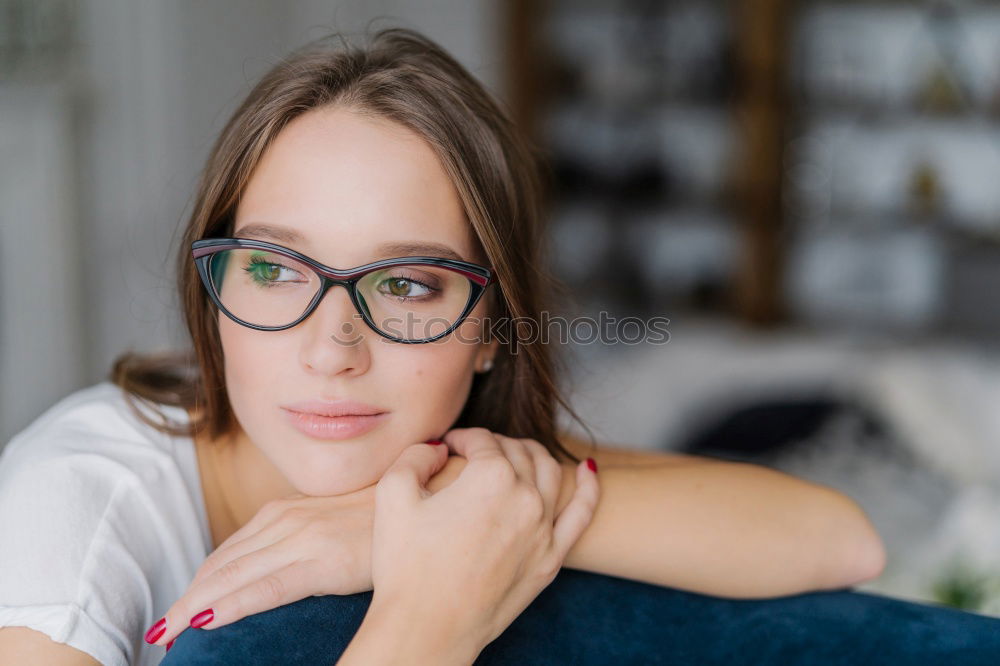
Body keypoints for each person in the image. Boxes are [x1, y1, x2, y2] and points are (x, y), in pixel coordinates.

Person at [0, 26, 897, 665]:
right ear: (217, 290)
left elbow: (837, 538)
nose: (332, 348)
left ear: (489, 335)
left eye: (407, 285)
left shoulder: (445, 471)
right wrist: (433, 616)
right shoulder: (69, 515)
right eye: (275, 268)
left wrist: (380, 528)